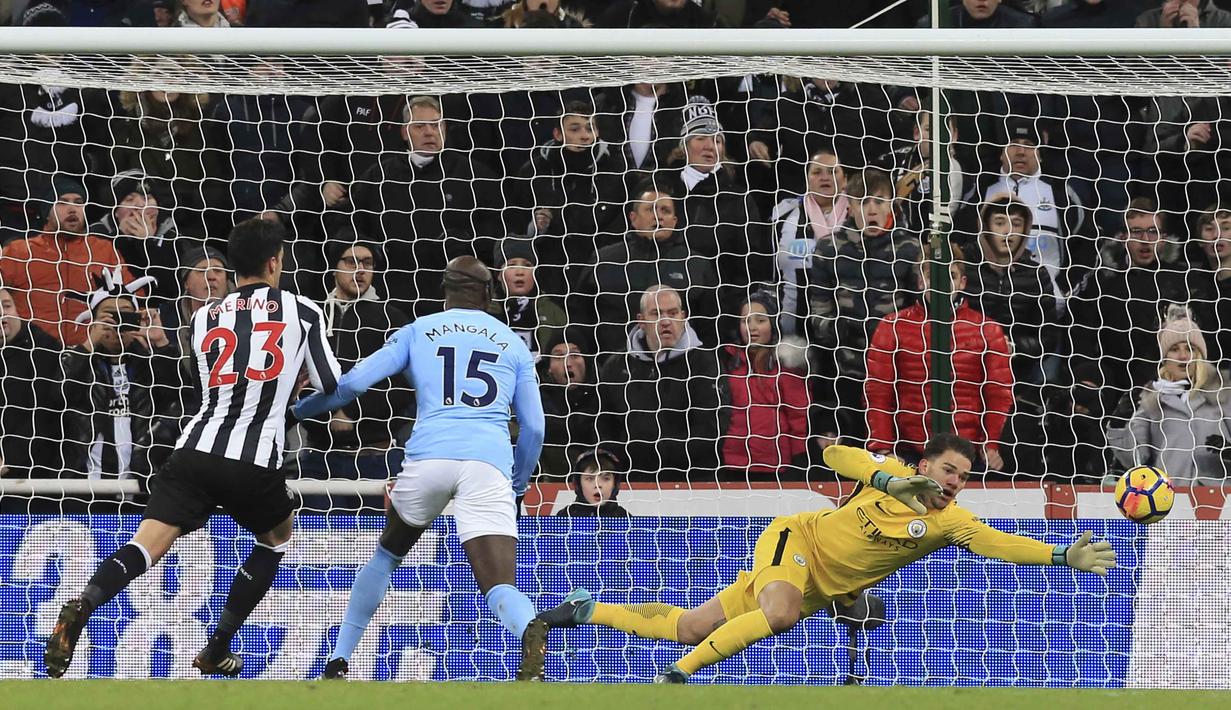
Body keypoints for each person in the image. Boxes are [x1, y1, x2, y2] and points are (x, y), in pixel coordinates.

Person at [537, 436, 1116, 683]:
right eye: (947, 471)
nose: (954, 483)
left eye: (963, 477)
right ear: (924, 466)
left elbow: (997, 542)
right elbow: (836, 453)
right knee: (780, 613)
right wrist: (888, 480)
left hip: (820, 586)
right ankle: (673, 682)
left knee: (692, 626)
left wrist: (1061, 553)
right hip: (794, 542)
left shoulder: (950, 521)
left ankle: (588, 609)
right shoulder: (891, 475)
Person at [44, 218, 344, 679]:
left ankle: (84, 602)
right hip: (252, 459)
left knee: (146, 544)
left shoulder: (204, 317)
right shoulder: (302, 311)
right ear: (274, 262)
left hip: (193, 451)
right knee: (277, 538)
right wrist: (291, 391)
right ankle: (217, 647)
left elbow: (210, 386)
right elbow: (331, 384)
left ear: (233, 267)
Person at [294, 255, 549, 681]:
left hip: (430, 456)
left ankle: (339, 659)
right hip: (488, 463)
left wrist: (298, 412)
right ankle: (528, 630)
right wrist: (518, 485)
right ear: (488, 294)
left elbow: (353, 384)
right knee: (500, 585)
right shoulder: (513, 343)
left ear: (444, 291)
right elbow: (535, 429)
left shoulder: (417, 330)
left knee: (387, 554)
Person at [865, 249, 1015, 471]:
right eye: (933, 275)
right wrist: (883, 449)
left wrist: (989, 444)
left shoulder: (987, 329)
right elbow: (878, 392)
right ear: (920, 282)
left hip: (969, 451)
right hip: (906, 451)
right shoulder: (892, 326)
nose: (941, 284)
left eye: (950, 276)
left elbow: (998, 393)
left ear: (962, 283)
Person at [296, 241, 413, 512]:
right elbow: (297, 377)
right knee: (319, 536)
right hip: (319, 457)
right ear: (334, 267)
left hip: (377, 457)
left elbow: (402, 385)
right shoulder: (312, 316)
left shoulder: (393, 318)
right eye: (351, 262)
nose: (360, 270)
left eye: (367, 263)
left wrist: (350, 413)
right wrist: (328, 416)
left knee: (379, 535)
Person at [597, 285, 722, 479]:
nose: (665, 321)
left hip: (693, 478)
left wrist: (654, 453)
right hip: (632, 477)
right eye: (656, 314)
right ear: (641, 321)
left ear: (683, 317)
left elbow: (711, 429)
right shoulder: (616, 366)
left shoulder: (705, 363)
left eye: (672, 313)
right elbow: (604, 426)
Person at [1, 176, 136, 346]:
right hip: (34, 351)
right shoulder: (19, 251)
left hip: (93, 350)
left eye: (79, 202)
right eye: (62, 202)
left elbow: (133, 296)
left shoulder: (104, 250)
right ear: (47, 212)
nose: (72, 209)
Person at [1107, 305, 1231, 486]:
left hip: (1221, 497)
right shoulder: (1151, 400)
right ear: (1165, 357)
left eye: (1189, 349)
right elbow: (1134, 458)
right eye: (1174, 349)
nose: (1183, 356)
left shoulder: (1223, 392)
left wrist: (1228, 451)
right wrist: (1119, 423)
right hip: (1171, 495)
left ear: (1199, 354)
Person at [718, 291, 810, 479]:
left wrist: (800, 457)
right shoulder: (727, 362)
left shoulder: (786, 365)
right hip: (732, 463)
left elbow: (799, 417)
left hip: (775, 464)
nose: (752, 327)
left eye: (760, 320)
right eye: (745, 321)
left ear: (773, 324)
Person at [771, 148, 848, 338]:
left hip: (849, 331)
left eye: (832, 171)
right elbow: (771, 274)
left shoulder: (860, 215)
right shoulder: (784, 216)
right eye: (817, 172)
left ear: (845, 179)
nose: (825, 177)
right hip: (794, 331)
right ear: (807, 179)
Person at [554, 447, 629, 517]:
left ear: (615, 484)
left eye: (606, 478)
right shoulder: (564, 517)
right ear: (578, 484)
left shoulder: (626, 518)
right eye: (590, 478)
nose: (598, 485)